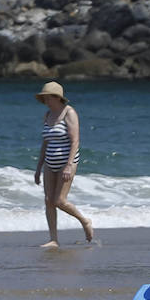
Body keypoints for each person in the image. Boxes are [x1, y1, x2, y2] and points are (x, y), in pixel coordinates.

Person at [33, 81, 93, 248]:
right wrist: (38, 167)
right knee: (48, 200)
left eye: (47, 98)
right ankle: (54, 239)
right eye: (43, 98)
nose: (45, 101)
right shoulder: (47, 115)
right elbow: (45, 142)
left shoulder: (69, 112)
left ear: (56, 98)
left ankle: (85, 221)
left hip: (67, 162)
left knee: (59, 200)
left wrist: (68, 165)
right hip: (49, 162)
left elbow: (75, 141)